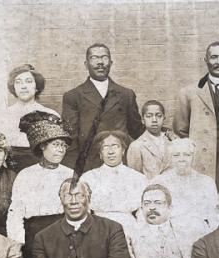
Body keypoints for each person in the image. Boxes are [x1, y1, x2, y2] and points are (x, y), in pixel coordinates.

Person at [173, 41, 219, 190]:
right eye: (214, 57)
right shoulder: (189, 92)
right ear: (206, 60)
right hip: (204, 160)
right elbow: (181, 130)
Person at [62, 43, 144, 171]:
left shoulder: (126, 94)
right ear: (86, 64)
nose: (100, 62)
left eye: (104, 58)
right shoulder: (73, 96)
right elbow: (70, 138)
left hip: (120, 162)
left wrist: (163, 133)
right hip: (88, 164)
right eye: (94, 58)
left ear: (110, 63)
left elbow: (137, 130)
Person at [7, 111, 74, 258]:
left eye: (64, 146)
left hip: (64, 233)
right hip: (35, 236)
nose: (61, 150)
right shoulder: (25, 175)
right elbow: (15, 213)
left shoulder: (70, 174)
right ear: (43, 146)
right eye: (56, 145)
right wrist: (17, 244)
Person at [0, 64, 60, 172]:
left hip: (41, 172)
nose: (23, 86)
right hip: (8, 172)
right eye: (18, 82)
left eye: (28, 81)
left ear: (37, 86)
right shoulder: (2, 115)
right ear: (13, 87)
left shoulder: (50, 115)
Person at [80, 130, 147, 235]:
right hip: (98, 228)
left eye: (115, 146)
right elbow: (84, 210)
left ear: (123, 151)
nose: (110, 151)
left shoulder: (137, 178)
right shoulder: (89, 178)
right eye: (105, 147)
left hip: (129, 228)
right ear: (100, 154)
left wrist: (140, 233)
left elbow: (143, 212)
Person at [152, 138, 219, 230]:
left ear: (194, 157)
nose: (181, 159)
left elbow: (214, 216)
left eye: (187, 155)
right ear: (170, 158)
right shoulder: (159, 182)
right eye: (176, 155)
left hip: (199, 233)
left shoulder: (207, 182)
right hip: (170, 233)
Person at [126, 100, 176, 180]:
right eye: (149, 116)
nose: (154, 120)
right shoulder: (136, 146)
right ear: (142, 120)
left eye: (158, 116)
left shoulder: (173, 141)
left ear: (164, 118)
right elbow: (134, 178)